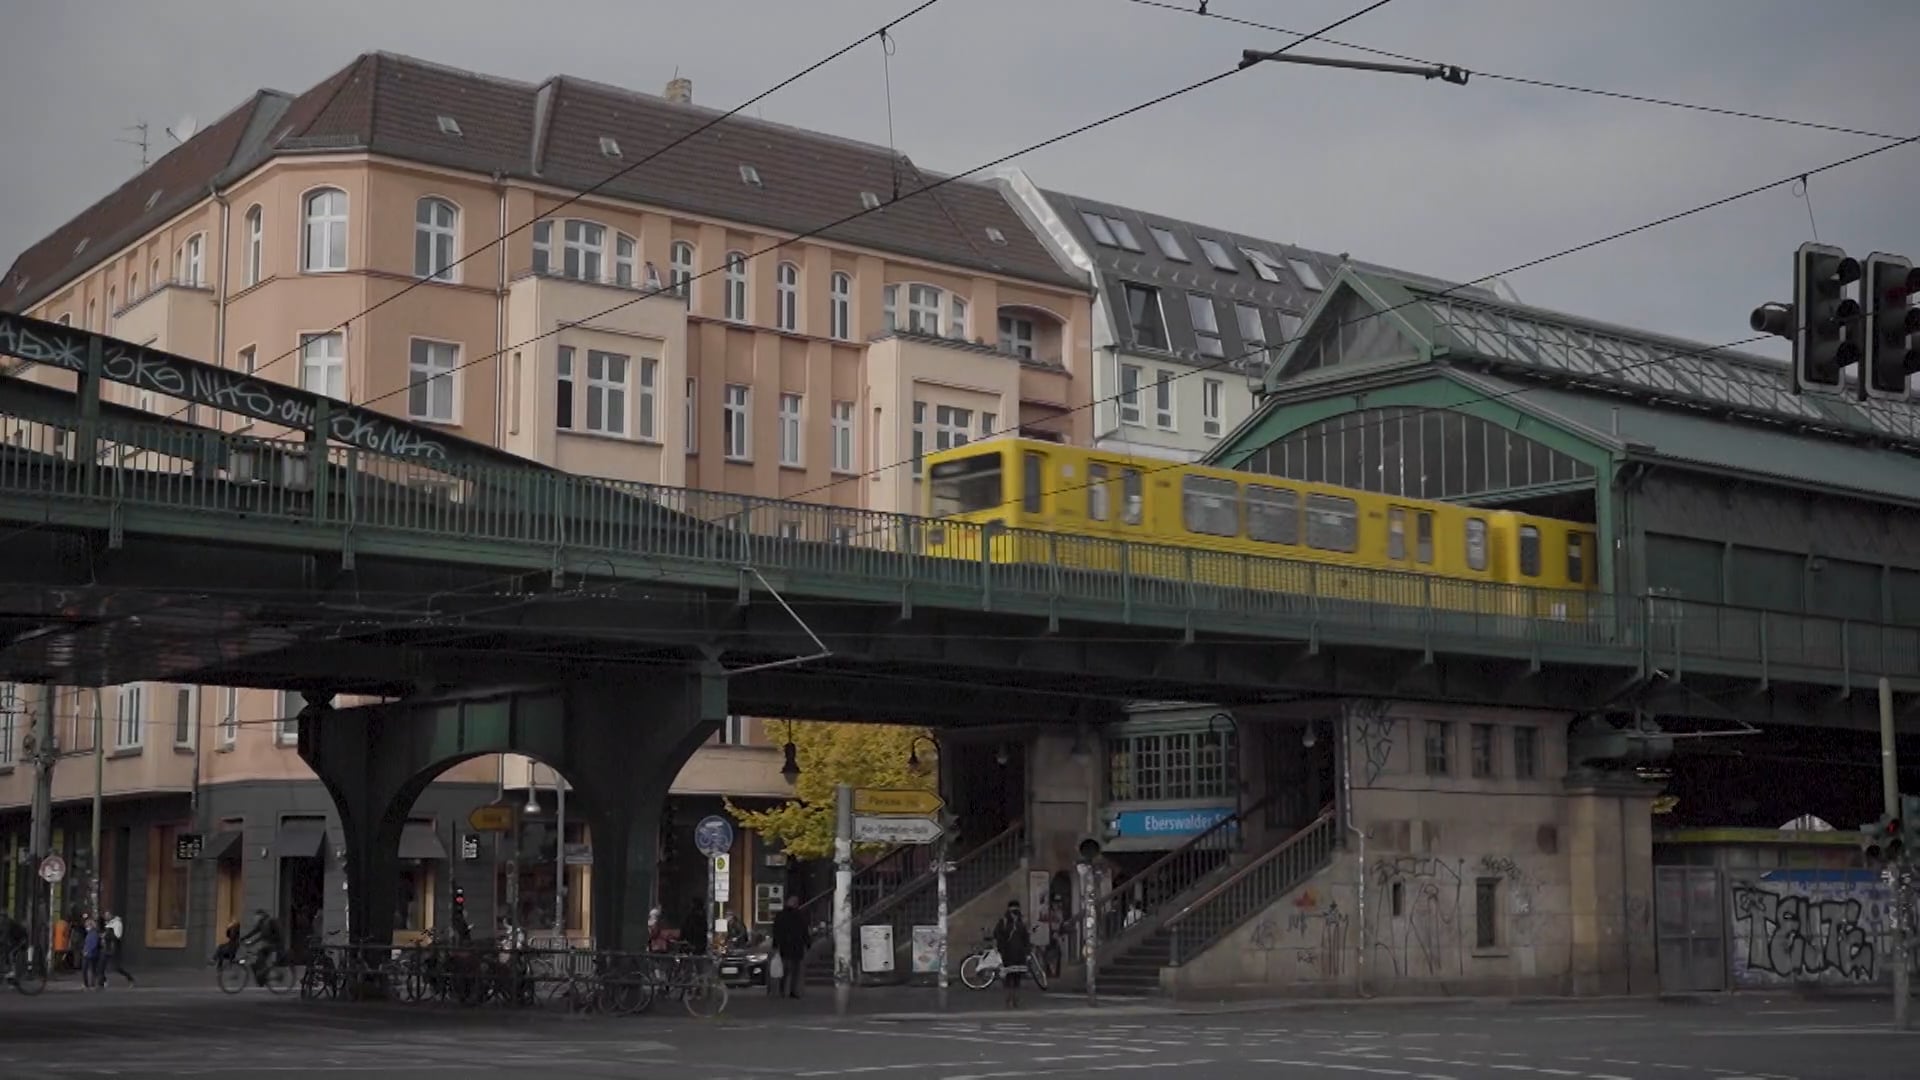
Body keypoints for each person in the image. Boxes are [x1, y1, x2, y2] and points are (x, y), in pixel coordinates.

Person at [992, 900, 1031, 1009]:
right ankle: (1011, 999)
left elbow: (1025, 938)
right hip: (1010, 955)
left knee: (1013, 979)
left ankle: (1013, 999)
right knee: (1011, 979)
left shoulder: (1018, 922)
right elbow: (997, 936)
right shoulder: (1007, 922)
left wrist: (1027, 952)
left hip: (1014, 955)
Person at [770, 894, 809, 999]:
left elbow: (776, 931)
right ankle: (789, 990)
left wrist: (776, 944)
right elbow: (804, 931)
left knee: (789, 969)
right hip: (792, 946)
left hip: (789, 946)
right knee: (790, 969)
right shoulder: (797, 915)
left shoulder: (787, 915)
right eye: (794, 901)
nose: (795, 903)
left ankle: (787, 990)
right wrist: (807, 943)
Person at [239, 908, 285, 982]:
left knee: (261, 954)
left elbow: (263, 936)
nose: (255, 919)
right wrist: (243, 938)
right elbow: (253, 932)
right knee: (259, 958)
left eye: (257, 916)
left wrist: (252, 942)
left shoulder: (269, 922)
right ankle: (261, 975)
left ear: (261, 916)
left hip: (276, 943)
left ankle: (263, 976)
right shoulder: (261, 923)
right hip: (270, 943)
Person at [99, 911, 134, 988]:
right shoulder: (108, 924)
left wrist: (106, 935)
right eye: (105, 915)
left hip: (113, 948)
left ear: (111, 915)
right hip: (106, 948)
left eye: (107, 915)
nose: (106, 917)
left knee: (116, 967)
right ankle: (102, 982)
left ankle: (130, 978)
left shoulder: (117, 923)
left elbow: (117, 936)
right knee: (101, 965)